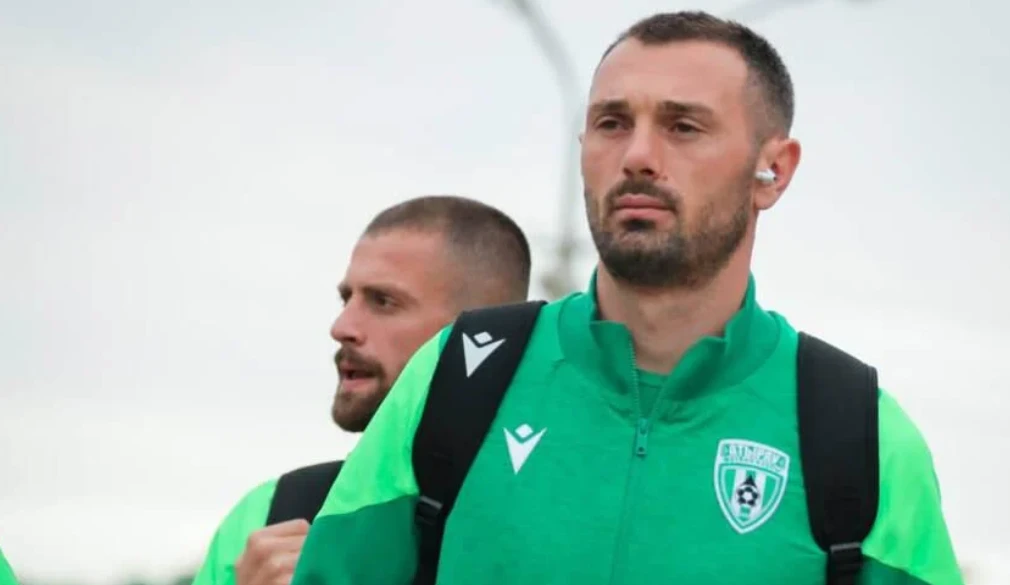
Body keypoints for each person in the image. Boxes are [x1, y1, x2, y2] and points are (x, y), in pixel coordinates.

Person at [289, 10, 964, 585]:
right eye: (612, 123)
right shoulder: (457, 377)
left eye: (683, 126)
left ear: (773, 170)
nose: (638, 154)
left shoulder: (859, 435)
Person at [190, 195, 532, 585]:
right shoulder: (271, 517)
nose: (341, 327)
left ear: (483, 334)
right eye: (346, 298)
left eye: (383, 301)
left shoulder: (557, 518)